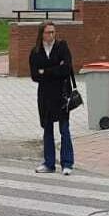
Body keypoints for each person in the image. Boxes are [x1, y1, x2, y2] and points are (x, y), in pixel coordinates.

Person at [28, 21, 74, 175]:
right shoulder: (35, 52)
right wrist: (55, 69)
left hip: (61, 94)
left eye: (53, 32)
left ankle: (67, 163)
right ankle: (49, 163)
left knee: (64, 129)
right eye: (48, 32)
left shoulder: (62, 47)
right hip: (45, 96)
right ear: (42, 34)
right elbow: (35, 76)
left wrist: (45, 71)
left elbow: (66, 69)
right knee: (47, 129)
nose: (52, 35)